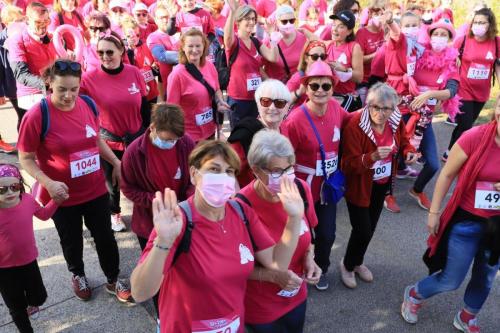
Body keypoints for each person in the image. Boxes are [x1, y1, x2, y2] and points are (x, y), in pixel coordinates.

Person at [131, 140, 304, 333]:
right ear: (194, 174)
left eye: (229, 171)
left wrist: (295, 217)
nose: (223, 177)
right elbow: (140, 292)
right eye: (214, 169)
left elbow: (277, 262)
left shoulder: (242, 213)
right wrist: (163, 242)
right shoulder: (177, 221)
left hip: (234, 325)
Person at [17, 60, 134, 304]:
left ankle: (113, 278)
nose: (69, 95)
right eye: (62, 89)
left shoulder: (88, 104)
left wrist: (116, 162)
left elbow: (96, 139)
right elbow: (25, 158)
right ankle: (78, 274)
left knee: (105, 237)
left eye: (74, 89)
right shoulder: (38, 115)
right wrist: (48, 182)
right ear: (50, 84)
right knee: (71, 240)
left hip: (94, 190)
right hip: (62, 196)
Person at [401, 96, 500, 333]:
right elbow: (446, 175)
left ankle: (467, 317)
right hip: (467, 221)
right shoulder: (474, 137)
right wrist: (434, 213)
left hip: (497, 226)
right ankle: (415, 294)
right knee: (451, 279)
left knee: (486, 276)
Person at [239, 130, 321, 332]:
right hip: (261, 306)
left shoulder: (301, 188)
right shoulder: (241, 206)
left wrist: (310, 258)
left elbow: (309, 235)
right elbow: (235, 267)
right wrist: (273, 277)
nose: (285, 178)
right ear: (256, 171)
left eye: (289, 168)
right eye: (277, 171)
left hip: (296, 295)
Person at [120, 103, 194, 325]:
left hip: (182, 218)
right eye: (167, 139)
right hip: (149, 223)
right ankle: (162, 316)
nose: (171, 143)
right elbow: (128, 188)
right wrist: (155, 201)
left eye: (174, 140)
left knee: (182, 270)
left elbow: (193, 178)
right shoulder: (134, 152)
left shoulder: (185, 144)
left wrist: (184, 201)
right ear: (152, 128)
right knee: (156, 271)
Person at [339, 83, 417, 288]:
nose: (380, 113)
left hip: (381, 184)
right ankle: (346, 265)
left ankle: (357, 262)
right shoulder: (355, 125)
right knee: (362, 229)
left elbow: (404, 140)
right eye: (375, 107)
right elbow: (347, 165)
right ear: (368, 104)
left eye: (386, 108)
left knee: (370, 228)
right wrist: (371, 157)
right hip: (359, 186)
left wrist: (408, 151)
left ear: (393, 108)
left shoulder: (395, 119)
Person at [283, 60, 349, 291]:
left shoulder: (336, 109)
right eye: (314, 86)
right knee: (301, 234)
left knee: (327, 234)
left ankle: (320, 266)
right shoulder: (295, 120)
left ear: (333, 88)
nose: (320, 91)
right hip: (303, 187)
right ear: (306, 89)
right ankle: (297, 269)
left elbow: (356, 123)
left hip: (328, 186)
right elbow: (284, 157)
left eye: (326, 86)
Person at [80, 30, 149, 232]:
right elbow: (82, 111)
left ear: (121, 51)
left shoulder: (134, 72)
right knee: (112, 181)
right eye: (100, 53)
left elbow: (144, 104)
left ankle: (144, 210)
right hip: (109, 140)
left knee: (142, 177)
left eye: (109, 52)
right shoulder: (89, 79)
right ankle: (114, 212)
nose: (105, 57)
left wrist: (148, 131)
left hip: (137, 137)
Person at [393, 17, 460, 212]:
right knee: (391, 155)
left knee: (432, 164)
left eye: (444, 35)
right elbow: (398, 64)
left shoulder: (451, 62)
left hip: (424, 120)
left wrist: (430, 94)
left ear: (449, 39)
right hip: (403, 114)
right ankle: (386, 193)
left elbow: (452, 90)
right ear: (429, 37)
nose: (439, 37)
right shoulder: (417, 53)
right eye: (436, 34)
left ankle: (417, 190)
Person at [0, 164, 63, 333]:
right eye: (2, 189)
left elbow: (43, 215)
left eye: (14, 187)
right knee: (15, 305)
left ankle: (32, 305)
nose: (10, 193)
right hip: (4, 270)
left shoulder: (27, 200)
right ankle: (26, 330)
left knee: (39, 296)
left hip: (28, 260)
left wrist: (55, 201)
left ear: (20, 184)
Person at [444, 8, 500, 162]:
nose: (478, 25)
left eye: (482, 22)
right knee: (466, 124)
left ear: (490, 25)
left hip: (482, 92)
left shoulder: (496, 41)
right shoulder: (463, 40)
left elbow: (497, 65)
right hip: (464, 89)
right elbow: (449, 59)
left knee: (466, 125)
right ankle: (454, 154)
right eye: (475, 22)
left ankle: (449, 150)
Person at [167, 28, 229, 142]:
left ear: (204, 47)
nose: (194, 50)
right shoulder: (177, 75)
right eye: (190, 46)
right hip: (189, 137)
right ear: (183, 48)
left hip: (210, 131)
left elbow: (216, 90)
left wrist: (220, 101)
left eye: (198, 46)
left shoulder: (210, 66)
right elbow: (172, 110)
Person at [228, 79, 292, 187]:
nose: (272, 108)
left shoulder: (285, 129)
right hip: (249, 197)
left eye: (279, 103)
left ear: (287, 108)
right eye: (266, 102)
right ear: (258, 105)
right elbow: (229, 173)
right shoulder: (244, 134)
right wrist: (237, 199)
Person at [224, 0, 277, 128]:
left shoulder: (256, 42)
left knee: (254, 136)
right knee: (239, 137)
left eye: (253, 19)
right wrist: (232, 12)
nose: (252, 22)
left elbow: (272, 57)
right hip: (238, 99)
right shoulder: (235, 42)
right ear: (238, 22)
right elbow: (227, 37)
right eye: (247, 19)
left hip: (256, 99)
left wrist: (272, 35)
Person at [8, 2, 56, 114]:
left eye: (46, 21)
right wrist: (47, 83)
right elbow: (21, 74)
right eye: (38, 22)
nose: (43, 25)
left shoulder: (53, 37)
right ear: (28, 20)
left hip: (53, 91)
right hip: (30, 95)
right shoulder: (17, 40)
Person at [326, 10, 363, 112]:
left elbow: (359, 77)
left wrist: (344, 70)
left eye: (341, 26)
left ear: (349, 31)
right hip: (328, 97)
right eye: (334, 25)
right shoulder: (328, 45)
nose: (335, 29)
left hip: (346, 99)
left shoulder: (354, 47)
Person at [262, 5, 308, 83]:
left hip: (295, 86)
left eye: (291, 20)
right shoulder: (269, 40)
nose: (288, 24)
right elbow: (258, 66)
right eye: (284, 21)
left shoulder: (303, 38)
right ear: (277, 22)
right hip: (275, 89)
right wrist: (269, 83)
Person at [355, 0, 386, 105]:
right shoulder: (362, 33)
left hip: (382, 79)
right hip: (365, 80)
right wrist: (377, 55)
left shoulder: (385, 31)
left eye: (382, 14)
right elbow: (359, 59)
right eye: (376, 14)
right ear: (370, 14)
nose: (379, 17)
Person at [0, 4, 24, 139]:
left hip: (26, 84)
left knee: (29, 114)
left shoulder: (23, 36)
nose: (20, 25)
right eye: (16, 22)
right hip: (12, 87)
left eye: (21, 21)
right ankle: (24, 144)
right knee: (23, 115)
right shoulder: (1, 41)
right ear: (6, 23)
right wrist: (1, 93)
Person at [122, 17, 159, 103]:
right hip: (136, 94)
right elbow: (128, 71)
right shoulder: (122, 51)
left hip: (152, 92)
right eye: (129, 36)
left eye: (137, 35)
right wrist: (130, 51)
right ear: (124, 36)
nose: (134, 38)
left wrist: (155, 68)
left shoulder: (146, 46)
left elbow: (156, 68)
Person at [287, 40, 327, 107]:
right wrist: (299, 92)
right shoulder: (298, 78)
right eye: (315, 57)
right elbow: (282, 101)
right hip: (301, 115)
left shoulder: (327, 75)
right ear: (306, 58)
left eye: (323, 57)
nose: (319, 60)